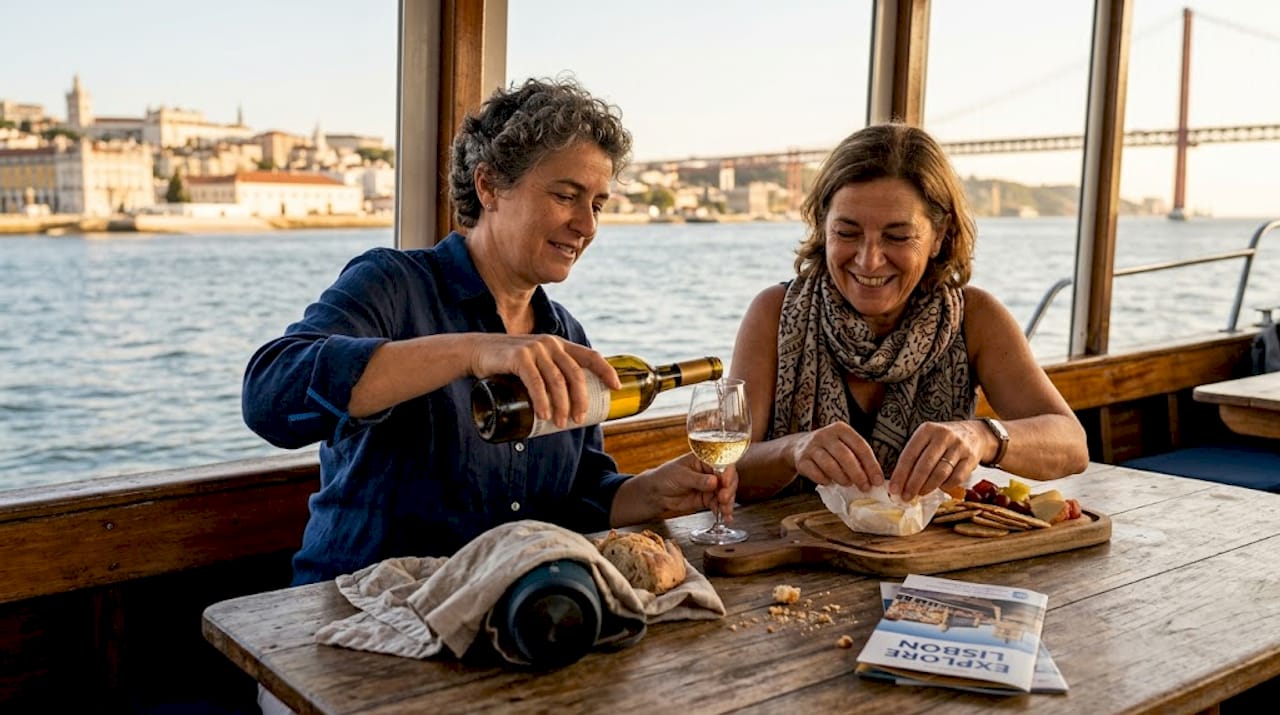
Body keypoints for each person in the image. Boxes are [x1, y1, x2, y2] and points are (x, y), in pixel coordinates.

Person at [241, 76, 733, 589]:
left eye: (598, 204)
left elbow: (577, 495)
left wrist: (651, 493)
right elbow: (269, 397)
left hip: (499, 619)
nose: (587, 225)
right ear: (489, 186)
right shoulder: (392, 284)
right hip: (357, 615)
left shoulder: (565, 333)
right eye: (567, 195)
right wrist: (475, 351)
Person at [729, 122, 1089, 504]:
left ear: (939, 235)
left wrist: (981, 437)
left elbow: (1072, 445)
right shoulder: (774, 312)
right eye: (847, 233)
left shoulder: (975, 318)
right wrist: (794, 450)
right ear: (823, 226)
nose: (869, 260)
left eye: (897, 237)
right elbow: (727, 469)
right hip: (793, 551)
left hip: (928, 557)